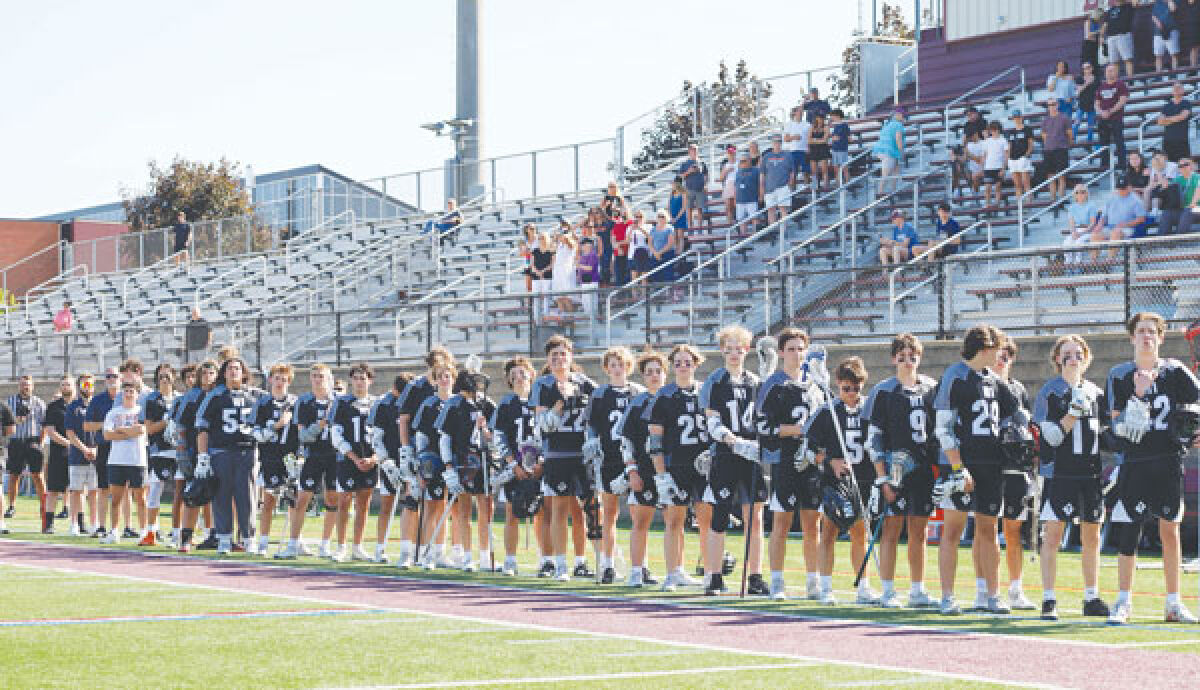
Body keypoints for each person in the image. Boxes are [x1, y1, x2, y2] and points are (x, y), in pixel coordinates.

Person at [1105, 311, 1200, 624]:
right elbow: (1119, 429)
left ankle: (1173, 602)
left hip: (1169, 459)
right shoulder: (1120, 375)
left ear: (1161, 337)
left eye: (1152, 332)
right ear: (1132, 337)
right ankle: (1123, 601)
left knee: (1170, 530)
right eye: (1141, 331)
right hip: (1135, 461)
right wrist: (1141, 394)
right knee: (1130, 529)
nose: (1146, 336)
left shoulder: (1176, 372)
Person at [934, 324, 1027, 615]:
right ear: (985, 349)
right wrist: (958, 468)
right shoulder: (955, 376)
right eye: (997, 348)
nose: (1000, 354)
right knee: (952, 530)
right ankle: (947, 596)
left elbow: (1018, 415)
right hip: (960, 463)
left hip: (992, 463)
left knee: (988, 529)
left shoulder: (994, 381)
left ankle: (992, 595)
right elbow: (943, 428)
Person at [1033, 335, 1112, 621]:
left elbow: (1107, 434)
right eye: (1067, 353)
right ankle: (1049, 597)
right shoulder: (1049, 393)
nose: (1073, 358)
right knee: (1052, 535)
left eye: (1078, 353)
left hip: (1090, 473)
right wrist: (1072, 414)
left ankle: (1091, 596)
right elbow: (1050, 438)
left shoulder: (1096, 392)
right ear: (1057, 358)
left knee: (1091, 535)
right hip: (1060, 473)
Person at [863, 334, 939, 608]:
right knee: (891, 529)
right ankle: (888, 590)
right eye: (902, 356)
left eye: (913, 356)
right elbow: (873, 437)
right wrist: (882, 476)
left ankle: (917, 590)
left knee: (920, 530)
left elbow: (938, 431)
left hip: (922, 468)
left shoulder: (930, 388)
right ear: (893, 358)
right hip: (894, 467)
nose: (908, 362)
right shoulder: (884, 391)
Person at [757, 328, 825, 600]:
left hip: (812, 464)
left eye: (801, 349)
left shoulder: (815, 385)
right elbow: (762, 425)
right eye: (792, 349)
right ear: (782, 352)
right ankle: (777, 580)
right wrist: (797, 430)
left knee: (812, 524)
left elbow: (826, 423)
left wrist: (820, 449)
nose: (797, 354)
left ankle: (813, 580)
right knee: (781, 524)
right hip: (785, 460)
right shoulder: (774, 385)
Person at [700, 325, 766, 596]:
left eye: (739, 348)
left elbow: (763, 419)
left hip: (751, 454)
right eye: (729, 348)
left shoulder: (755, 382)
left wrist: (756, 444)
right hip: (727, 454)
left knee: (756, 517)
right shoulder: (715, 381)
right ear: (722, 350)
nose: (734, 353)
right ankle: (714, 576)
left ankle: (755, 576)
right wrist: (734, 442)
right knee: (720, 516)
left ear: (746, 350)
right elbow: (712, 422)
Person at [807, 356, 878, 605]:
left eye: (856, 388)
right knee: (829, 532)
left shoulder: (869, 409)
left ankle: (864, 587)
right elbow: (807, 449)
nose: (851, 394)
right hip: (835, 481)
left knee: (861, 533)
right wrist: (829, 462)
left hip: (864, 479)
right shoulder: (827, 412)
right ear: (838, 385)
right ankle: (825, 587)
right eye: (846, 388)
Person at [646, 343, 713, 590]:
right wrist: (661, 474)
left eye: (688, 362)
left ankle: (710, 573)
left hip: (704, 466)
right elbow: (656, 439)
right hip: (676, 465)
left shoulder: (706, 392)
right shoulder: (664, 396)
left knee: (707, 521)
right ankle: (674, 573)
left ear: (696, 364)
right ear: (672, 366)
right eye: (678, 362)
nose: (683, 366)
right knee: (674, 521)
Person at [531, 335, 598, 581]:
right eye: (554, 355)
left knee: (585, 510)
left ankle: (582, 562)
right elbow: (541, 426)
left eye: (563, 353)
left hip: (582, 454)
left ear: (571, 356)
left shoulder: (584, 383)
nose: (559, 358)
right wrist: (558, 406)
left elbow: (599, 408)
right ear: (548, 360)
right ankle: (560, 563)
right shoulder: (542, 385)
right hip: (557, 453)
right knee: (558, 509)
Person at [585, 347, 644, 584]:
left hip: (635, 459)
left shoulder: (637, 393)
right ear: (606, 368)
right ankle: (607, 564)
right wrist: (591, 443)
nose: (617, 369)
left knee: (639, 514)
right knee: (609, 513)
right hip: (609, 457)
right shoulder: (599, 395)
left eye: (621, 364)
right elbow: (591, 425)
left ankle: (641, 566)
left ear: (628, 367)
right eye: (612, 365)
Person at [435, 366, 498, 572]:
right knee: (463, 509)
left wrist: (486, 429)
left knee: (486, 509)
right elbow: (445, 438)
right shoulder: (454, 404)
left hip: (483, 459)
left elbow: (495, 436)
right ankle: (467, 556)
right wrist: (449, 466)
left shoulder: (485, 404)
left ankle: (486, 555)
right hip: (462, 459)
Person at [613, 350, 667, 587]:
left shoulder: (672, 398)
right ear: (643, 376)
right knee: (641, 522)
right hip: (645, 469)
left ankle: (675, 571)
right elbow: (627, 441)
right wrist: (632, 471)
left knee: (674, 522)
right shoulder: (637, 403)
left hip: (669, 469)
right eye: (649, 372)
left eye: (658, 371)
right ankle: (637, 571)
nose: (654, 376)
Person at [195, 357, 259, 554]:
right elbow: (202, 427)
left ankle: (248, 538)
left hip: (247, 450)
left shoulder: (256, 396)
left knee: (247, 497)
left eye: (237, 368)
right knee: (221, 495)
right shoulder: (215, 396)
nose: (233, 372)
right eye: (230, 368)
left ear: (244, 372)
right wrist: (202, 456)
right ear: (224, 372)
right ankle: (224, 538)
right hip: (221, 451)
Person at [490, 357, 547, 576]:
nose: (519, 377)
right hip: (515, 467)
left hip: (540, 467)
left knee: (542, 513)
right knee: (512, 513)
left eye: (523, 372)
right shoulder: (506, 403)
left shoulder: (542, 399)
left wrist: (541, 463)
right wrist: (513, 464)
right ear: (509, 380)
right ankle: (510, 560)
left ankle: (545, 559)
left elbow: (549, 432)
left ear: (532, 374)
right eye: (514, 375)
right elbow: (499, 436)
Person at [992, 339, 1036, 612]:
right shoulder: (981, 386)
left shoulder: (1018, 389)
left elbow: (1026, 427)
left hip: (1015, 468)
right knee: (986, 529)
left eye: (1007, 355)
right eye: (997, 354)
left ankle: (1016, 588)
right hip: (989, 464)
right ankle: (988, 588)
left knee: (1013, 530)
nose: (1002, 359)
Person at [283, 363, 341, 559]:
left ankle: (325, 544)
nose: (318, 379)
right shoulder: (304, 402)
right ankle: (293, 543)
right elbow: (303, 436)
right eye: (315, 376)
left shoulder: (339, 401)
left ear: (330, 379)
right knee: (302, 500)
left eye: (322, 376)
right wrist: (320, 425)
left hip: (334, 455)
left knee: (332, 499)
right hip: (313, 455)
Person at [327, 362, 379, 562]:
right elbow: (336, 434)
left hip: (370, 460)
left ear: (370, 381)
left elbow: (382, 434)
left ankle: (357, 546)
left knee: (364, 504)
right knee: (344, 502)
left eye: (363, 378)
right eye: (355, 378)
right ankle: (341, 546)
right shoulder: (342, 403)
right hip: (348, 459)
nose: (359, 382)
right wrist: (354, 458)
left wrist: (374, 458)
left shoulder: (377, 403)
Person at [366, 372, 415, 564]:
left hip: (410, 458)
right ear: (395, 390)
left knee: (412, 504)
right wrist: (385, 461)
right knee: (387, 504)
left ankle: (411, 548)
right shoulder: (383, 405)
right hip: (391, 459)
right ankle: (380, 547)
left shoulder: (415, 402)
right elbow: (375, 437)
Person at [249, 363, 298, 556]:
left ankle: (295, 541)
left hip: (290, 458)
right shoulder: (262, 403)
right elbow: (255, 432)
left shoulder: (296, 403)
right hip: (270, 457)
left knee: (293, 501)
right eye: (277, 378)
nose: (280, 383)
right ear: (270, 380)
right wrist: (275, 427)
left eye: (284, 379)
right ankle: (263, 541)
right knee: (269, 501)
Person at [174, 360, 218, 552]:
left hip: (221, 449)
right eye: (205, 373)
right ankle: (186, 537)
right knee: (194, 494)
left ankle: (217, 535)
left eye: (212, 373)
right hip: (196, 450)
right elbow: (181, 425)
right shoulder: (192, 396)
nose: (208, 377)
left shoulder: (222, 395)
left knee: (222, 496)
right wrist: (182, 452)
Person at [100, 379, 149, 544]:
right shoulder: (113, 413)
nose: (128, 394)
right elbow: (107, 435)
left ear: (137, 394)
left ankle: (144, 531)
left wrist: (119, 430)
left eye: (132, 391)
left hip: (137, 460)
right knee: (116, 499)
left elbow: (141, 430)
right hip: (117, 460)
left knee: (140, 498)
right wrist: (129, 432)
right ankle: (114, 531)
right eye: (126, 391)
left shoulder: (142, 411)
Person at [141, 363, 176, 546]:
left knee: (183, 492)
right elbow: (149, 429)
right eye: (161, 376)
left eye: (167, 376)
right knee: (155, 490)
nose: (164, 380)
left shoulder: (180, 399)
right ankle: (151, 530)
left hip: (179, 451)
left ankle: (179, 531)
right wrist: (166, 421)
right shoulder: (152, 400)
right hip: (160, 450)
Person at [6, 375, 47, 526]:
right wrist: (17, 420)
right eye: (23, 384)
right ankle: (11, 506)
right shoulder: (10, 402)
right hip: (16, 441)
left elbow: (44, 425)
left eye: (28, 385)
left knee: (38, 475)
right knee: (14, 475)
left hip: (33, 440)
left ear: (33, 386)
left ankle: (44, 506)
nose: (25, 387)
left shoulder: (39, 403)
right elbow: (5, 422)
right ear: (19, 386)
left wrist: (40, 443)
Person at [64, 373, 97, 537]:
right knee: (76, 491)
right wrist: (84, 449)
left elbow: (104, 430)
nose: (87, 387)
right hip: (78, 455)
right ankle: (74, 523)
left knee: (94, 491)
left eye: (90, 384)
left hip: (97, 456)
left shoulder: (98, 405)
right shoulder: (73, 407)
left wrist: (96, 449)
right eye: (84, 384)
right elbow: (70, 433)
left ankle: (94, 524)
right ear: (79, 386)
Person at [42, 376, 74, 535]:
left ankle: (78, 523)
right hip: (58, 453)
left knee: (77, 490)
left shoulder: (81, 406)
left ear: (74, 386)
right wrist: (70, 443)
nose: (66, 387)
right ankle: (49, 524)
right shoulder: (53, 407)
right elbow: (50, 431)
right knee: (53, 490)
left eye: (68, 384)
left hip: (78, 454)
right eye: (63, 384)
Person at [1101, 175, 1147, 254]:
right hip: (1110, 227)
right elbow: (1104, 215)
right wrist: (1099, 225)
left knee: (1115, 233)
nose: (1121, 190)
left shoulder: (1136, 200)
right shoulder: (1111, 197)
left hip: (1128, 228)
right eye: (1119, 188)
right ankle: (1094, 263)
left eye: (1123, 188)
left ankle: (1109, 262)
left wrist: (1125, 224)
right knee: (1095, 235)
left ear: (1129, 187)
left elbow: (1141, 218)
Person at [1096, 63, 1130, 170]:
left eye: (1111, 70)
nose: (1109, 73)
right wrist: (1101, 112)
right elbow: (1096, 103)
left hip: (1116, 119)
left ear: (1116, 72)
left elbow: (1122, 101)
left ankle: (1122, 165)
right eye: (1107, 71)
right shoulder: (1101, 86)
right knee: (1103, 143)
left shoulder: (1120, 85)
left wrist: (1110, 111)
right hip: (1103, 119)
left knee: (1119, 142)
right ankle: (1104, 165)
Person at [1063, 184, 1106, 263]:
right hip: (1076, 230)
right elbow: (1071, 224)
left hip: (1088, 230)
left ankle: (1078, 263)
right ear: (1074, 195)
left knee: (1078, 242)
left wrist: (1082, 232)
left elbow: (1092, 223)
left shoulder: (1091, 206)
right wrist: (1073, 232)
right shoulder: (1072, 207)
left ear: (1086, 194)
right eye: (1077, 192)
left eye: (1082, 192)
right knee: (1067, 242)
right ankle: (1068, 263)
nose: (1080, 194)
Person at [1041, 99, 1074, 200]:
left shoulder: (1064, 118)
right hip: (1049, 150)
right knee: (1050, 176)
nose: (1051, 106)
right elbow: (1044, 136)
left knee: (1061, 175)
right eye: (1049, 104)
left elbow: (1069, 134)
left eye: (1053, 104)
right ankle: (1053, 199)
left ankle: (1061, 198)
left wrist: (1066, 145)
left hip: (1061, 149)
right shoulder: (1045, 120)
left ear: (1057, 105)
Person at [760, 133, 795, 226]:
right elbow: (762, 173)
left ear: (781, 142)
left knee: (783, 209)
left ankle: (784, 231)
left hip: (783, 186)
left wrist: (790, 184)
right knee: (770, 210)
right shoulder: (766, 156)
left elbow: (792, 172)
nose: (777, 143)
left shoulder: (788, 155)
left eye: (779, 141)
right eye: (775, 141)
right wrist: (762, 188)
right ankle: (773, 232)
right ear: (772, 143)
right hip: (769, 188)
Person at [873, 108, 905, 196]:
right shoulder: (898, 125)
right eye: (902, 115)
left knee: (895, 171)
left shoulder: (887, 125)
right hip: (890, 151)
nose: (903, 116)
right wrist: (901, 152)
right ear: (897, 115)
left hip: (884, 151)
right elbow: (898, 139)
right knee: (886, 173)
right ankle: (880, 193)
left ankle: (894, 190)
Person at [1099, 0, 1135, 77]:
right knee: (1114, 62)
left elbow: (1136, 2)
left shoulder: (1128, 6)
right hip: (1111, 37)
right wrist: (1101, 36)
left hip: (1123, 35)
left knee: (1127, 59)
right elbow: (1105, 24)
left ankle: (1130, 80)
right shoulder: (1110, 10)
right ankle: (1116, 82)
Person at [1159, 83, 1193, 162]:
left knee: (1185, 165)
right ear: (1172, 91)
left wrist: (1167, 120)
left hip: (1181, 141)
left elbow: (1183, 116)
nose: (1176, 89)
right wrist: (1176, 118)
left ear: (1183, 91)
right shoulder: (1166, 106)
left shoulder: (1186, 103)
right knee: (1170, 167)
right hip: (1168, 141)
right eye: (1174, 88)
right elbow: (1160, 122)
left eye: (1179, 87)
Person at [678, 144, 709, 227]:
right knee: (689, 209)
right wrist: (689, 171)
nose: (694, 152)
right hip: (689, 189)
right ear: (689, 152)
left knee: (700, 209)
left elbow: (706, 175)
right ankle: (690, 229)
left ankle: (700, 228)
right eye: (692, 150)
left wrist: (705, 185)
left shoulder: (702, 163)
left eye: (695, 150)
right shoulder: (684, 164)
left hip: (700, 189)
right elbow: (680, 176)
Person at [1007, 112, 1035, 201]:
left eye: (1018, 117)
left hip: (1023, 157)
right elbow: (1010, 146)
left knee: (1025, 182)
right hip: (1013, 158)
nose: (1017, 119)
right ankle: (1020, 203)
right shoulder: (1011, 131)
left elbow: (1031, 144)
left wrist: (1026, 155)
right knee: (1017, 184)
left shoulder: (1027, 129)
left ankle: (1029, 201)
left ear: (1021, 117)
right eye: (1015, 117)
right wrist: (1008, 158)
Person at [981, 121, 1010, 208]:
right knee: (988, 188)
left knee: (998, 187)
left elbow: (1006, 155)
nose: (994, 131)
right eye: (992, 129)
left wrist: (1003, 169)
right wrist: (983, 167)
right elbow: (985, 155)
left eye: (996, 129)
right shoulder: (987, 141)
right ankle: (987, 204)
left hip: (999, 167)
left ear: (999, 130)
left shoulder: (1003, 140)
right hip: (988, 167)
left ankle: (997, 203)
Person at [783, 106, 812, 188]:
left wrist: (809, 148)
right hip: (792, 151)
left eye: (802, 111)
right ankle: (793, 194)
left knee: (806, 172)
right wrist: (793, 137)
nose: (801, 113)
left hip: (804, 151)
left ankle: (808, 191)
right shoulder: (789, 124)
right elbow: (785, 139)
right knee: (793, 173)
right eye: (799, 111)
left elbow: (810, 138)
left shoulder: (807, 124)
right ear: (794, 112)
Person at [551, 231, 578, 315]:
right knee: (559, 298)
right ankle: (562, 320)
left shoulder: (571, 244)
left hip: (566, 272)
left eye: (562, 235)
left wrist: (566, 237)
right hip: (557, 273)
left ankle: (571, 320)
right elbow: (552, 251)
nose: (560, 237)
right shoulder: (559, 245)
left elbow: (572, 245)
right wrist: (555, 240)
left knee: (567, 298)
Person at [733, 152, 761, 233]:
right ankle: (743, 237)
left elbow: (760, 184)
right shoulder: (738, 172)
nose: (742, 163)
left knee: (754, 218)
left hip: (752, 199)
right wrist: (735, 198)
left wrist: (760, 195)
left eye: (744, 161)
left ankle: (757, 236)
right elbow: (735, 186)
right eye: (741, 161)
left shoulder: (756, 170)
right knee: (741, 220)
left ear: (749, 161)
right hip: (740, 200)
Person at [1152, 0, 1182, 73]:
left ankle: (1175, 74)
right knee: (1158, 55)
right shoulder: (1158, 2)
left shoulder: (1175, 1)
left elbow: (1173, 9)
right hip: (1158, 32)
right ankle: (1158, 75)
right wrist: (1158, 23)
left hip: (1171, 30)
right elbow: (1153, 15)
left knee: (1174, 55)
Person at [647, 211, 676, 283]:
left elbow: (670, 243)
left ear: (666, 218)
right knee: (656, 276)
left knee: (668, 275)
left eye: (662, 216)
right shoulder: (653, 229)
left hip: (667, 254)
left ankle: (668, 293)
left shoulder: (670, 228)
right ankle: (658, 293)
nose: (660, 218)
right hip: (655, 255)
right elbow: (650, 243)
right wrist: (655, 253)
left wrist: (659, 253)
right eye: (659, 216)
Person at [1075, 61, 1099, 144]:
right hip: (1082, 104)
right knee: (1077, 123)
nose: (1086, 69)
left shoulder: (1096, 79)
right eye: (1084, 68)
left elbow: (1098, 93)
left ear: (1091, 68)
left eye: (1088, 67)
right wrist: (1086, 83)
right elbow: (1078, 92)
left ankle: (1089, 141)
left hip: (1092, 105)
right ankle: (1072, 139)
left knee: (1091, 125)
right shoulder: (1079, 78)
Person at [808, 115, 832, 191]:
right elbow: (808, 140)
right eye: (818, 118)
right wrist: (819, 140)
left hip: (823, 150)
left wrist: (814, 140)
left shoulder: (826, 127)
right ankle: (815, 189)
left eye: (821, 118)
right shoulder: (812, 127)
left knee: (824, 170)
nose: (820, 120)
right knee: (814, 172)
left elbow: (825, 140)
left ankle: (826, 189)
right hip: (813, 150)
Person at [577, 237, 599, 316]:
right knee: (586, 303)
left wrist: (578, 265)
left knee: (591, 303)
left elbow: (590, 268)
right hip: (585, 281)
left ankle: (593, 321)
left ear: (588, 245)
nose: (582, 246)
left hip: (591, 281)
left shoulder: (592, 255)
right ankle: (589, 320)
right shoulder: (583, 255)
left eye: (583, 244)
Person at [609, 208, 632, 287]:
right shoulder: (616, 224)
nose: (623, 214)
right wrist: (618, 248)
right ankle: (620, 294)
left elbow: (629, 239)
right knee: (619, 275)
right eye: (622, 213)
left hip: (629, 253)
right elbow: (612, 239)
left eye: (625, 212)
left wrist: (618, 244)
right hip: (618, 253)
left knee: (628, 276)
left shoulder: (630, 223)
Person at [830, 109, 851, 186]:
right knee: (836, 168)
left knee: (844, 168)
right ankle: (838, 185)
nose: (831, 117)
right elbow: (832, 138)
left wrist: (840, 138)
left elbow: (849, 138)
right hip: (835, 149)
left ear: (837, 115)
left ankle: (848, 184)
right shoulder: (834, 126)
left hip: (842, 149)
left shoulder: (844, 125)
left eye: (832, 115)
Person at [719, 145, 738, 227]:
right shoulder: (725, 165)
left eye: (732, 153)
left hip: (737, 184)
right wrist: (726, 171)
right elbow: (721, 178)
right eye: (729, 153)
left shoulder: (738, 163)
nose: (731, 155)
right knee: (728, 206)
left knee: (736, 205)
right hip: (728, 185)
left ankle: (737, 223)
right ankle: (730, 224)